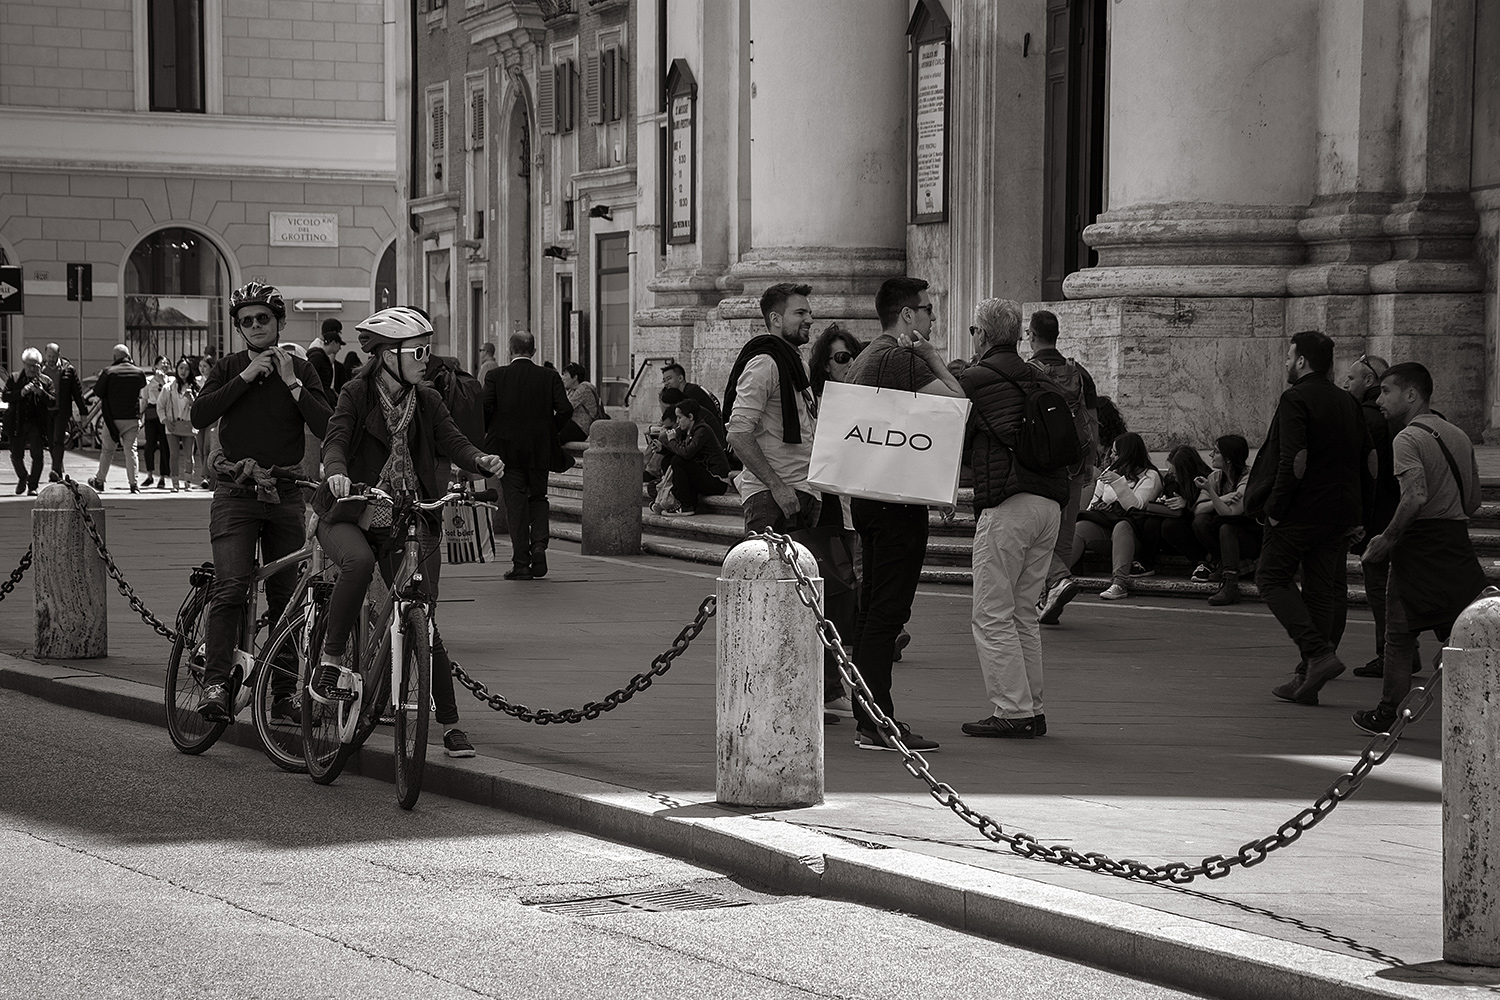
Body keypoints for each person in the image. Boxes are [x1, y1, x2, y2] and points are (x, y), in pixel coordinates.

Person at [315, 307, 504, 758]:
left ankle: (451, 724)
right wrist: (337, 473)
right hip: (349, 511)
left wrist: (480, 460)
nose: (426, 359)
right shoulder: (355, 394)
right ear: (387, 356)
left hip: (405, 517)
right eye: (418, 351)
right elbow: (335, 440)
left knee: (421, 617)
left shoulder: (428, 398)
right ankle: (331, 660)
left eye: (428, 350)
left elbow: (451, 440)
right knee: (358, 564)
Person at [190, 281, 332, 723]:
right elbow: (199, 414)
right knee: (232, 586)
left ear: (279, 323)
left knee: (288, 598)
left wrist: (291, 383)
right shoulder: (230, 366)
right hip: (235, 493)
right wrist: (246, 378)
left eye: (263, 319)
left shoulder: (303, 368)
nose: (254, 326)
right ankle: (216, 684)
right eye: (246, 321)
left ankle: (285, 694)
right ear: (238, 327)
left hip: (286, 493)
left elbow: (327, 424)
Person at [841, 275, 963, 753]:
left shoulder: (867, 357)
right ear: (907, 315)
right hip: (898, 501)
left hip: (872, 495)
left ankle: (868, 715)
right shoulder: (899, 358)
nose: (932, 317)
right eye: (928, 310)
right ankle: (876, 721)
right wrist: (931, 356)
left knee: (874, 607)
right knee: (886, 613)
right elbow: (957, 406)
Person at [957, 298, 1071, 739]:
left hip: (1009, 503)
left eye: (973, 331)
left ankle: (1013, 710)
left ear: (983, 335)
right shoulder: (1038, 376)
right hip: (1049, 504)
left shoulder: (977, 378)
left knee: (991, 613)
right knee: (1023, 612)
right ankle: (1032, 707)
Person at [1353, 363, 1487, 734]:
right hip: (1454, 542)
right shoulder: (1458, 434)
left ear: (1411, 395)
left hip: (1419, 543)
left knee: (1398, 633)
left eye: (1385, 391)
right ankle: (1481, 703)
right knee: (1463, 628)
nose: (1379, 399)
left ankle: (1388, 711)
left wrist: (1387, 539)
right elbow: (1473, 500)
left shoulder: (1407, 439)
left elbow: (1415, 496)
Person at [1255, 331, 1374, 706]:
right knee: (1321, 591)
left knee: (1271, 577)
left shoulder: (1295, 398)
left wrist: (1276, 508)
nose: (1287, 363)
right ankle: (1308, 677)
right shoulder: (1346, 401)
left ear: (1302, 361)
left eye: (1290, 356)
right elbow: (1367, 461)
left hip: (1300, 511)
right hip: (1338, 512)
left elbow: (1295, 458)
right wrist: (1360, 513)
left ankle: (1316, 654)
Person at [723, 282, 821, 534]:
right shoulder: (764, 365)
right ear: (775, 319)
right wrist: (777, 486)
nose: (809, 318)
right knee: (768, 573)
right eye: (800, 313)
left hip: (804, 492)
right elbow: (738, 433)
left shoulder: (799, 364)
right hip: (772, 498)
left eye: (809, 312)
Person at [1028, 310, 1100, 626]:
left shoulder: (1028, 371)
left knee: (1033, 534)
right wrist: (1089, 462)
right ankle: (1050, 594)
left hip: (1042, 466)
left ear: (1031, 335)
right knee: (1064, 536)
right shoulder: (1079, 372)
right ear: (1057, 335)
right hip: (1074, 461)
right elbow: (1093, 420)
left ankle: (1054, 585)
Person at [483, 330, 571, 580]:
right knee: (539, 497)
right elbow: (564, 409)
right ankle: (539, 544)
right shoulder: (549, 376)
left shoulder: (496, 376)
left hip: (506, 451)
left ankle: (521, 562)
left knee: (516, 504)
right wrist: (549, 429)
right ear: (533, 351)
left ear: (510, 350)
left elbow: (484, 405)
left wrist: (491, 431)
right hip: (539, 448)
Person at [1341, 354, 1408, 678]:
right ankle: (1405, 652)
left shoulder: (1366, 416)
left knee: (1379, 587)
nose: (1345, 383)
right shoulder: (1395, 418)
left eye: (1351, 378)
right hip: (1393, 511)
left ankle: (1391, 654)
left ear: (1370, 381)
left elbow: (1358, 471)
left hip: (1377, 516)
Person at [1063, 432, 1163, 601]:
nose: (1111, 456)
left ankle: (1119, 583)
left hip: (1134, 535)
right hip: (1106, 526)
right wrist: (1096, 507)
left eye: (1116, 453)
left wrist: (1118, 482)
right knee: (1081, 528)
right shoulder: (1111, 471)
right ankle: (1057, 578)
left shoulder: (1150, 476)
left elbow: (1136, 507)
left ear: (1128, 454)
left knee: (1122, 526)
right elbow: (1093, 503)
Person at [1188, 435, 1259, 605]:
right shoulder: (1216, 477)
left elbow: (1230, 513)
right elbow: (1198, 509)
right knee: (1201, 522)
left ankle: (1230, 584)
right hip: (1229, 536)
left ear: (1228, 458)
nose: (1211, 455)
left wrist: (1211, 494)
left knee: (1226, 527)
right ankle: (1222, 564)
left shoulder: (1248, 478)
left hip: (1253, 537)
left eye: (1216, 451)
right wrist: (1223, 497)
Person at [1136, 443, 1211, 575]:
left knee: (1170, 525)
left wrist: (1186, 504)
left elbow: (1205, 509)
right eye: (1170, 472)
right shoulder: (1171, 481)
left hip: (1191, 532)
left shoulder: (1204, 480)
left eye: (1175, 473)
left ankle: (1201, 563)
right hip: (1171, 535)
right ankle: (1146, 563)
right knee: (1153, 521)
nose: (1172, 475)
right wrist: (1164, 503)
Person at [653, 398, 730, 516]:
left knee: (677, 461)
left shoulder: (702, 430)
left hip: (717, 481)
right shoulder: (688, 431)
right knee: (668, 461)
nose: (677, 422)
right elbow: (683, 452)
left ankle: (686, 505)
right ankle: (673, 499)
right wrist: (662, 449)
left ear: (690, 417)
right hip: (704, 475)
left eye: (679, 417)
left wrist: (672, 440)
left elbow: (686, 453)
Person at [89, 345, 148, 493]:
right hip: (131, 418)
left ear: (115, 357)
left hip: (112, 419)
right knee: (131, 451)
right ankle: (134, 484)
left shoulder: (109, 372)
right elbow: (142, 387)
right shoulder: (138, 372)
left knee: (107, 451)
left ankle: (100, 480)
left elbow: (98, 392)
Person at [4, 348, 54, 495]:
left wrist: (41, 393)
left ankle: (33, 486)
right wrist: (21, 392)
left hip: (37, 424)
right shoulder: (14, 378)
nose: (33, 368)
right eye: (30, 365)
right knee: (16, 455)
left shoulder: (46, 381)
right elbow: (5, 397)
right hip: (17, 422)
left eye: (36, 365)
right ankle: (23, 476)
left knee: (37, 455)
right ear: (24, 364)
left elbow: (52, 401)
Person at [40, 343, 88, 483]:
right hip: (46, 411)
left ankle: (55, 470)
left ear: (59, 355)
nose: (51, 359)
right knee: (50, 442)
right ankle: (58, 469)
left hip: (62, 410)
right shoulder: (40, 369)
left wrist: (83, 412)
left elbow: (77, 392)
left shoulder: (68, 370)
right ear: (45, 355)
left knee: (57, 440)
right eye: (49, 356)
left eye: (54, 357)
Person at [660, 362, 727, 450]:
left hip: (714, 437)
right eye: (664, 380)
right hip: (708, 433)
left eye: (669, 379)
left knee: (664, 437)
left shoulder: (690, 394)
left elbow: (680, 422)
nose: (666, 383)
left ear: (680, 378)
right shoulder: (689, 390)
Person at [156, 359, 198, 492]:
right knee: (174, 454)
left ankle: (188, 482)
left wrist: (192, 399)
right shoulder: (168, 388)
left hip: (188, 424)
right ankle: (175, 483)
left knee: (188, 454)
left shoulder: (194, 387)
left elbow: (199, 407)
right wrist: (165, 420)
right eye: (181, 368)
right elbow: (160, 406)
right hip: (172, 424)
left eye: (186, 369)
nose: (183, 372)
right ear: (176, 369)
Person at [139, 357, 170, 489]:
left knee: (165, 445)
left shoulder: (171, 381)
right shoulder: (148, 382)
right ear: (155, 365)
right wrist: (140, 415)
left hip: (165, 413)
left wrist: (163, 381)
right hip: (152, 413)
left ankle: (163, 476)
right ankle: (149, 474)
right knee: (149, 445)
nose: (165, 365)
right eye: (162, 363)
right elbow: (144, 401)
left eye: (167, 363)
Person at [307, 318, 346, 405]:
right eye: (339, 332)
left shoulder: (319, 346)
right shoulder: (318, 349)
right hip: (321, 393)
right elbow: (326, 367)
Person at [561, 362, 602, 442]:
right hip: (573, 426)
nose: (563, 378)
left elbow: (566, 407)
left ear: (575, 377)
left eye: (565, 375)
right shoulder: (573, 390)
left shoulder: (583, 389)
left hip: (580, 428)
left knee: (552, 437)